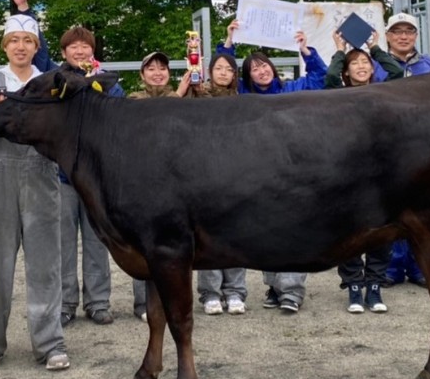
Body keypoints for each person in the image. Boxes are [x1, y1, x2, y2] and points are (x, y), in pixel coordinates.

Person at [0, 11, 69, 372]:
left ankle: (49, 343)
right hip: (0, 172)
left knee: (45, 263)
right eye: (14, 41)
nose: (20, 47)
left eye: (28, 42)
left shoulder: (50, 81)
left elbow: (64, 129)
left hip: (41, 172)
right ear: (5, 46)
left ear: (36, 47)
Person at [218, 20, 327, 312]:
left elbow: (320, 77)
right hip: (258, 173)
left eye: (264, 65)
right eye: (254, 68)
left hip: (293, 170)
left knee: (293, 228)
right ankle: (274, 288)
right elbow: (220, 75)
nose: (261, 70)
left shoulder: (293, 88)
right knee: (266, 231)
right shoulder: (244, 95)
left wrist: (306, 51)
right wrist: (228, 41)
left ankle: (291, 292)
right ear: (248, 75)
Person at [42, 25, 125, 327]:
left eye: (85, 46)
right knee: (62, 243)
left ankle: (98, 301)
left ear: (93, 51)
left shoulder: (108, 81)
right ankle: (65, 304)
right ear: (63, 53)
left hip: (95, 177)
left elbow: (120, 116)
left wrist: (96, 86)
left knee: (97, 240)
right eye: (73, 47)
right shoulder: (54, 80)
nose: (80, 51)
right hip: (61, 175)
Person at [325, 36, 401, 314]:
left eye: (364, 62)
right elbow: (331, 76)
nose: (360, 66)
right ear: (347, 70)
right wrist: (339, 51)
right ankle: (354, 285)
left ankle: (376, 284)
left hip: (381, 173)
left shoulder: (385, 92)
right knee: (350, 231)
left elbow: (396, 71)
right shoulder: (338, 93)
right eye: (354, 63)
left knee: (382, 231)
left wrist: (375, 48)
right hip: (348, 174)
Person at [178, 51, 247, 315]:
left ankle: (236, 291)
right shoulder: (196, 94)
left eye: (228, 69)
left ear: (234, 75)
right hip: (203, 173)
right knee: (207, 236)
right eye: (218, 68)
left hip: (236, 173)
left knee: (236, 234)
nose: (223, 72)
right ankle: (210, 293)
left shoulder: (242, 101)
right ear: (209, 71)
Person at [377, 12, 430, 286]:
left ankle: (417, 264)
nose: (403, 36)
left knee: (421, 207)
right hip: (386, 146)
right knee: (389, 206)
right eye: (397, 31)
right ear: (388, 35)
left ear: (416, 35)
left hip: (423, 146)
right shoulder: (374, 65)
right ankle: (390, 266)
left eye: (408, 31)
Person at [127, 50, 182, 319]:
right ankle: (142, 303)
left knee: (173, 246)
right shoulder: (132, 102)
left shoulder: (179, 101)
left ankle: (173, 302)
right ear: (142, 74)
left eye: (162, 68)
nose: (157, 73)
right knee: (143, 244)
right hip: (143, 184)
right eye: (151, 68)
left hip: (175, 184)